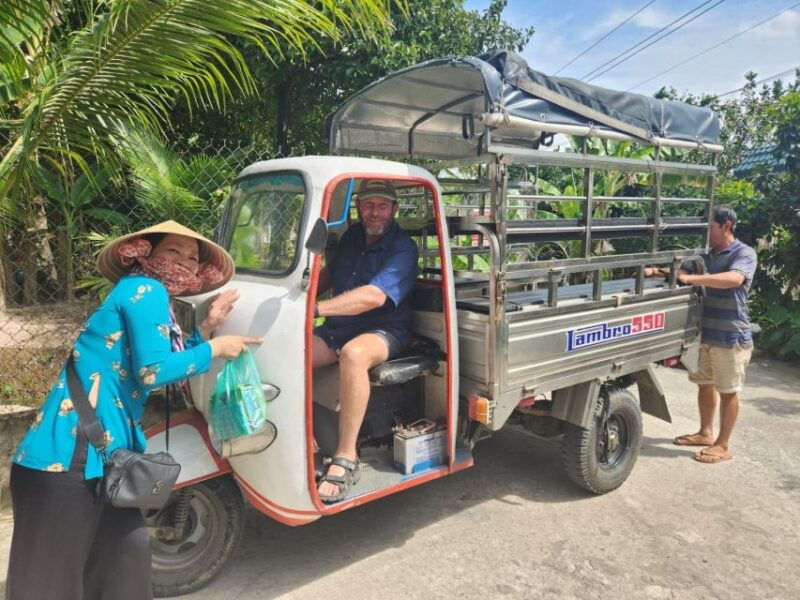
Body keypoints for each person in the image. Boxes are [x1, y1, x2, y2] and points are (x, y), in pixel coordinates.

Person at [6, 220, 261, 600]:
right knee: (50, 588)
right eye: (173, 251)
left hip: (103, 463)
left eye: (193, 257)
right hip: (65, 463)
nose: (185, 262)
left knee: (123, 568)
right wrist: (217, 348)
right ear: (146, 253)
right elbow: (152, 371)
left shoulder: (149, 297)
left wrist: (205, 329)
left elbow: (168, 362)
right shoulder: (146, 288)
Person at [312, 179, 419, 502]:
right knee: (294, 350)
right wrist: (299, 299)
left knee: (354, 355)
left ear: (394, 209)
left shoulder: (404, 247)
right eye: (369, 205)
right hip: (340, 326)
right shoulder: (352, 237)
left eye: (382, 205)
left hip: (384, 329)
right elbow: (330, 273)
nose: (375, 212)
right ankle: (308, 439)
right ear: (358, 208)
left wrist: (315, 309)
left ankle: (347, 456)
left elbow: (373, 297)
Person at [645, 205, 757, 464]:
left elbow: (733, 279)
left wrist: (695, 279)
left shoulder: (744, 253)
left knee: (728, 390)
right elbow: (681, 272)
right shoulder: (703, 255)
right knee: (704, 385)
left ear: (726, 226)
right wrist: (658, 271)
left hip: (731, 336)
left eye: (710, 227)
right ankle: (706, 433)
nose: (706, 232)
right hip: (704, 334)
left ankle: (723, 445)